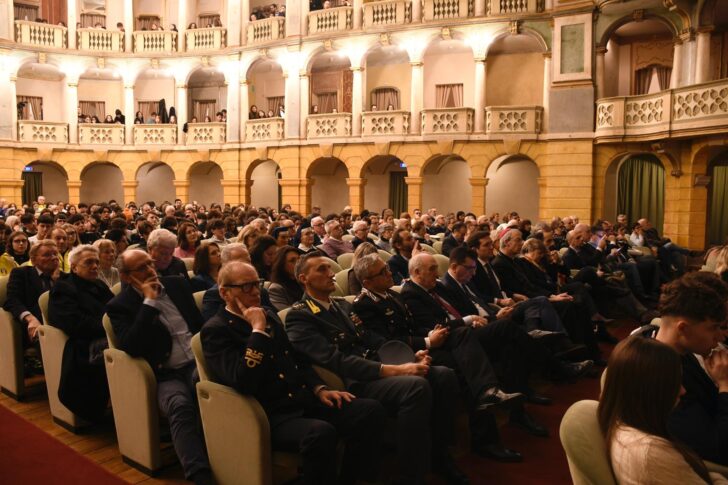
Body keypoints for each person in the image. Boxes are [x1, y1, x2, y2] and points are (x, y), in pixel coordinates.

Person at [285, 252, 468, 484]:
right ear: (304, 279)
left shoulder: (342, 305)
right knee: (415, 387)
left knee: (443, 375)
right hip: (353, 381)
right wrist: (397, 370)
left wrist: (411, 355)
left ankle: (440, 455)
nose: (331, 273)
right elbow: (336, 360)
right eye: (321, 270)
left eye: (329, 268)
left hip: (376, 366)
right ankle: (412, 475)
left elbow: (371, 339)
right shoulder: (299, 316)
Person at [201, 261, 385, 484]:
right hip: (268, 414)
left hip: (302, 399)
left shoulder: (268, 315)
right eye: (246, 286)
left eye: (257, 284)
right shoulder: (217, 330)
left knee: (368, 410)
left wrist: (320, 389)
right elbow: (242, 380)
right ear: (224, 292)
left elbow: (296, 358)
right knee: (320, 433)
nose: (256, 291)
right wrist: (257, 331)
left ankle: (353, 478)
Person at [107, 250, 213, 485]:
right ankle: (200, 474)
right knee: (179, 406)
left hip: (197, 363)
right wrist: (149, 303)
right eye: (142, 268)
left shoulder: (176, 285)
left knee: (216, 393)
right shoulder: (120, 306)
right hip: (165, 373)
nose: (151, 271)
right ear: (125, 277)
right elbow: (131, 346)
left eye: (150, 264)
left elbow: (198, 324)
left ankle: (226, 454)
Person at [599, 336, 727, 484]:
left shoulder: (622, 420)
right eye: (674, 384)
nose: (683, 391)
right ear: (651, 391)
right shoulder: (651, 454)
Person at [644, 272, 728, 466]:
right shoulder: (662, 377)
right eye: (713, 328)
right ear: (682, 328)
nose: (720, 336)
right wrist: (724, 385)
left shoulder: (682, 354)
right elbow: (719, 449)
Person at [48, 245, 113, 422]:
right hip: (86, 344)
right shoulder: (64, 289)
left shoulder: (98, 284)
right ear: (74, 267)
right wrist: (111, 328)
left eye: (97, 262)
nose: (95, 266)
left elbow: (115, 309)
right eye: (89, 262)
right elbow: (75, 323)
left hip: (107, 336)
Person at [268, 246, 303, 311]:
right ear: (282, 266)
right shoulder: (276, 289)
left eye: (299, 259)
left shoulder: (305, 281)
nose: (298, 263)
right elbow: (286, 314)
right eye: (292, 261)